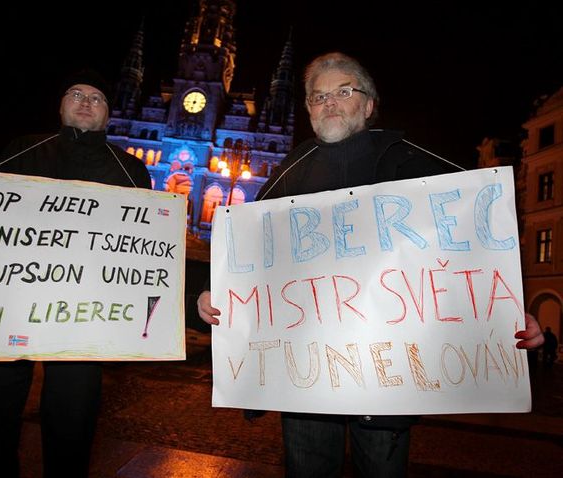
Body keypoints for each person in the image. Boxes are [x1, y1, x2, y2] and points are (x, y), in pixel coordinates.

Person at [197, 52, 545, 477]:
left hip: (389, 377)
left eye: (344, 91)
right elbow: (246, 254)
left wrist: (510, 307)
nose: (330, 102)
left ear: (368, 104)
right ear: (307, 109)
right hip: (307, 377)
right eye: (318, 96)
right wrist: (214, 293)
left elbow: (478, 242)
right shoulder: (291, 170)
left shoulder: (413, 160)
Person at [0, 69, 152, 478]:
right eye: (75, 93)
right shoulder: (23, 150)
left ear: (108, 115)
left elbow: (143, 247)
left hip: (83, 312)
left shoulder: (131, 170)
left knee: (74, 412)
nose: (85, 102)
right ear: (60, 105)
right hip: (13, 302)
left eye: (97, 97)